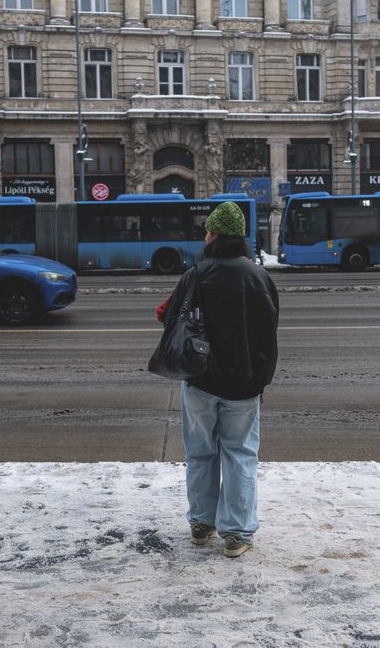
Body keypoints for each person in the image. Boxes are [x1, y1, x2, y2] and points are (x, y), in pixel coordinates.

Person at [158, 201, 279, 558]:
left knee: (201, 453)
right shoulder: (259, 277)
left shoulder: (197, 274)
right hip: (245, 383)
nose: (205, 236)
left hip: (201, 380)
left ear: (215, 235)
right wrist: (261, 379)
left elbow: (168, 317)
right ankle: (238, 534)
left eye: (207, 230)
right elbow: (268, 330)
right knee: (240, 455)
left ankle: (201, 524)